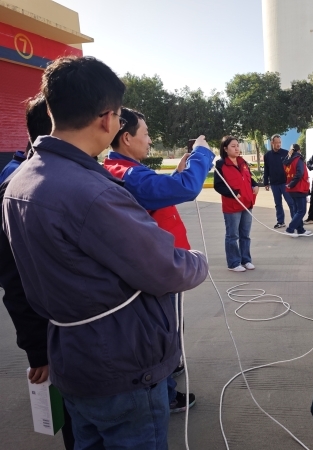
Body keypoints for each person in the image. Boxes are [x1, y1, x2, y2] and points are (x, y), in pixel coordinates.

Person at [2, 56, 209, 448]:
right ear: (107, 119)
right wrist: (198, 260)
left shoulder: (20, 181)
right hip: (119, 361)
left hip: (72, 355)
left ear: (51, 109)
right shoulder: (91, 192)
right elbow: (166, 268)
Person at [103, 107, 215, 413]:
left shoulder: (123, 170)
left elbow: (158, 191)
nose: (150, 140)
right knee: (163, 331)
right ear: (127, 138)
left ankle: (168, 371)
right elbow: (186, 188)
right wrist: (201, 153)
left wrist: (177, 174)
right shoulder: (129, 175)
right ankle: (165, 392)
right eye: (147, 133)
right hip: (159, 270)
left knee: (166, 329)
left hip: (157, 266)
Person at [0, 93, 76, 450]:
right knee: (78, 421)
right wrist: (37, 349)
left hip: (79, 338)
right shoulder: (24, 189)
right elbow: (14, 280)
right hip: (62, 336)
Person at [214, 136, 258, 271]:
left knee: (245, 234)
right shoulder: (221, 165)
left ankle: (246, 260)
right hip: (232, 206)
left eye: (237, 145)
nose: (236, 148)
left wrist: (255, 185)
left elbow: (249, 177)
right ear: (225, 149)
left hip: (247, 203)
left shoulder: (243, 162)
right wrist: (232, 193)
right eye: (233, 146)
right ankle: (234, 263)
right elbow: (218, 185)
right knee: (232, 235)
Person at [264, 134, 295, 228]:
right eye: (276, 142)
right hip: (274, 184)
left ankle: (295, 221)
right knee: (278, 204)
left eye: (280, 142)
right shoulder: (267, 155)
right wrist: (266, 182)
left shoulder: (286, 153)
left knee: (290, 202)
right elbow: (266, 169)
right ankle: (280, 221)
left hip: (285, 183)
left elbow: (291, 167)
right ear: (272, 143)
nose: (278, 144)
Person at [283, 144, 311, 237]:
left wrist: (290, 184)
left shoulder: (287, 161)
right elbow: (300, 173)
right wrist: (292, 184)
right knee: (301, 211)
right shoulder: (298, 160)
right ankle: (290, 229)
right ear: (299, 150)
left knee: (296, 210)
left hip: (291, 189)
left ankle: (300, 230)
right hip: (299, 188)